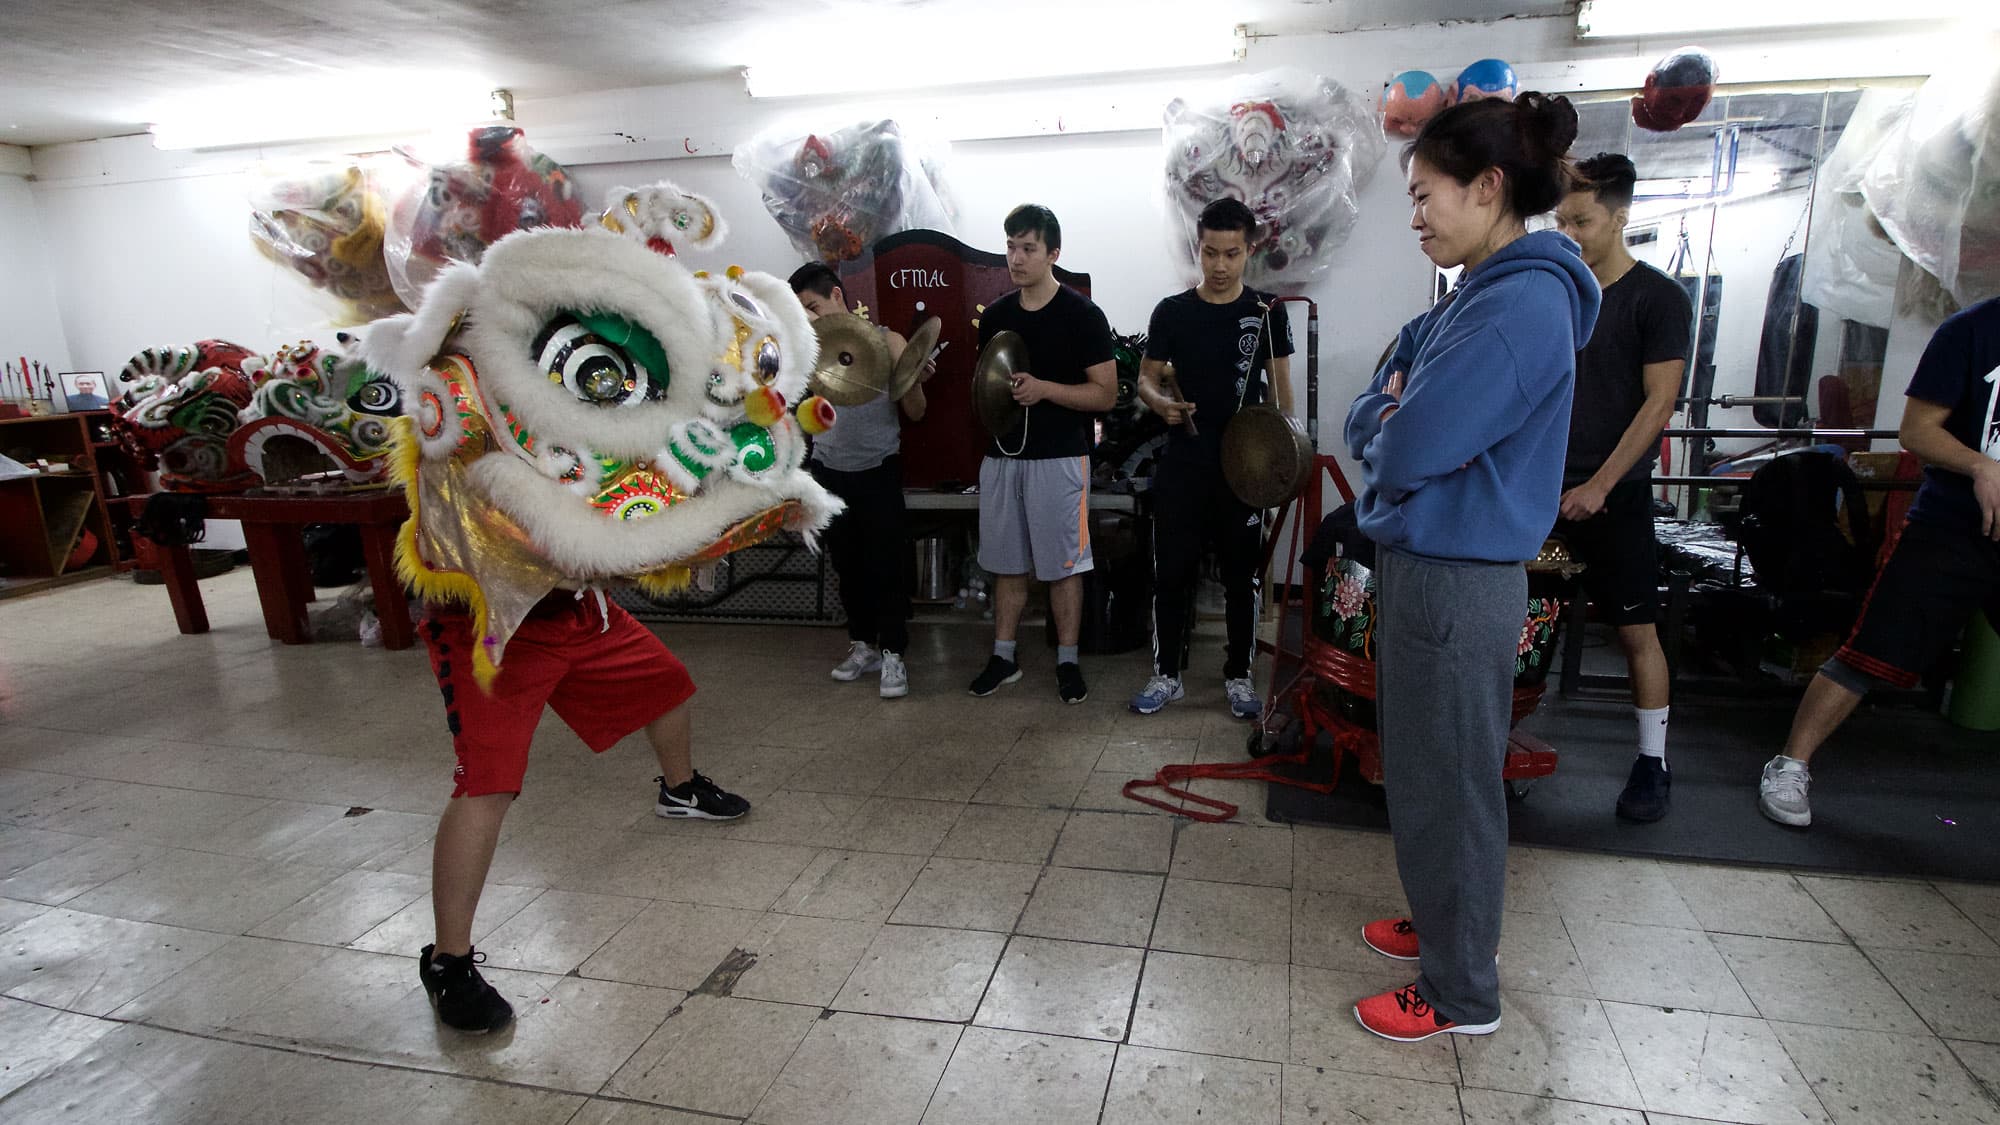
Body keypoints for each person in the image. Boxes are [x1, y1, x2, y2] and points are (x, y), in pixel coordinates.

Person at [1342, 92, 1598, 1043]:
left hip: (1459, 577)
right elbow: (1380, 397)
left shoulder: (1522, 305)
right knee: (1422, 770)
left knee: (1451, 782)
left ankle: (1461, 994)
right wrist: (1389, 416)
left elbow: (1405, 449)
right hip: (1429, 564)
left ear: (1490, 187)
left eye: (1425, 194)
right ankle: (1446, 921)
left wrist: (1392, 424)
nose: (1414, 215)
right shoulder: (1475, 294)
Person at [419, 593, 752, 1033]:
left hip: (579, 611)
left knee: (666, 680)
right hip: (490, 623)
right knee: (487, 783)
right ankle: (448, 964)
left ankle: (681, 791)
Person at [1759, 295, 2000, 827]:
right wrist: (1980, 465)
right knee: (1868, 652)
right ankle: (1789, 765)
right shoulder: (1972, 331)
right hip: (1952, 528)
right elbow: (1917, 431)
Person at [1552, 152, 1693, 822]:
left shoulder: (1658, 299)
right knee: (1516, 620)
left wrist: (1602, 485)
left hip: (1616, 499)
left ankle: (1652, 762)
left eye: (1581, 219)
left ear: (1619, 216)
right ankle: (1490, 745)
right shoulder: (1557, 296)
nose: (1569, 232)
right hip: (1545, 497)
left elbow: (1658, 403)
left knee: (1637, 629)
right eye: (1561, 219)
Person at [1129, 197, 1294, 719]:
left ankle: (1239, 677)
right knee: (1170, 572)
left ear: (1249, 251)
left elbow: (1284, 399)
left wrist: (1278, 459)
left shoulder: (1266, 311)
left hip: (1243, 468)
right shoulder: (1172, 312)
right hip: (1184, 462)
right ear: (1197, 249)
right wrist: (1163, 406)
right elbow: (1146, 381)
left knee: (1242, 576)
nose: (1219, 266)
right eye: (1209, 253)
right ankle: (1167, 675)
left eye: (1231, 254)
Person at [967, 203, 1118, 704]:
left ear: (1053, 253)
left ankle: (1068, 662)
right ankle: (1003, 656)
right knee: (1006, 564)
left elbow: (1105, 395)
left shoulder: (1082, 316)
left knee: (1063, 566)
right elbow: (988, 390)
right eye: (1010, 246)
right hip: (1003, 457)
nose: (1016, 257)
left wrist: (1046, 389)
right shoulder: (996, 317)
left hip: (1059, 458)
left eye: (1028, 248)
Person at [789, 261, 929, 699]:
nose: (809, 318)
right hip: (830, 471)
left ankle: (893, 654)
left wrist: (913, 377)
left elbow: (917, 413)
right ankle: (862, 645)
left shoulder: (887, 340)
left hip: (878, 469)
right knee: (847, 566)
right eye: (800, 312)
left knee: (886, 565)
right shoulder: (807, 351)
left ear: (836, 296)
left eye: (812, 306)